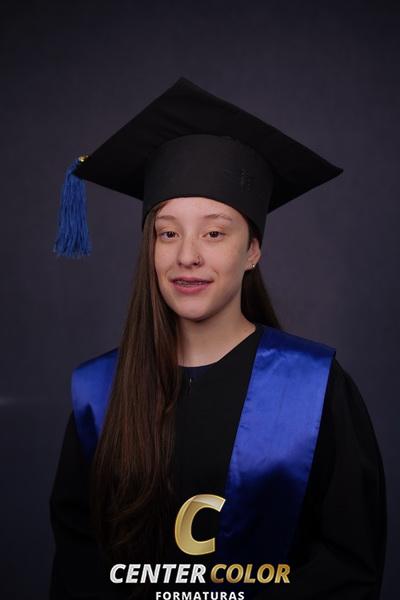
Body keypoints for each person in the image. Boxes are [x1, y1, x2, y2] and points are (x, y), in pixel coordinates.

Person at [49, 77, 387, 599]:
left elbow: (348, 570)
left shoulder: (313, 388)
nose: (187, 255)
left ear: (252, 250)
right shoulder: (100, 393)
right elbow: (78, 569)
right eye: (168, 233)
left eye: (214, 232)